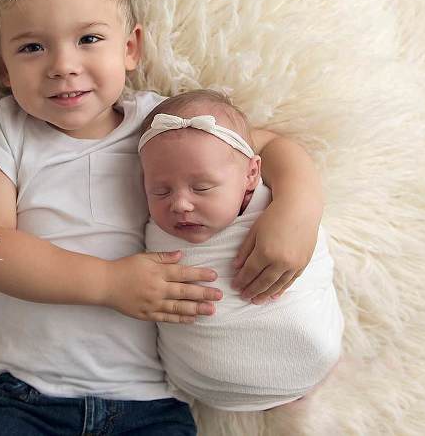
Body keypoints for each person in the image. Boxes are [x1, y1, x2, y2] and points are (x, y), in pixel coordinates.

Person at [0, 0, 324, 435]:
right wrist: (108, 283)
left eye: (88, 38)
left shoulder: (163, 125)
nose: (64, 65)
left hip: (150, 402)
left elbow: (272, 147)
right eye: (32, 48)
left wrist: (297, 209)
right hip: (28, 397)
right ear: (1, 66)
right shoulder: (6, 133)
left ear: (130, 48)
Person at [138, 89, 344, 412]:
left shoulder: (267, 197)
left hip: (309, 356)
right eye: (159, 190)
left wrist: (296, 205)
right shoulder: (153, 221)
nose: (179, 204)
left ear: (251, 175)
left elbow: (272, 145)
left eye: (202, 187)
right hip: (202, 384)